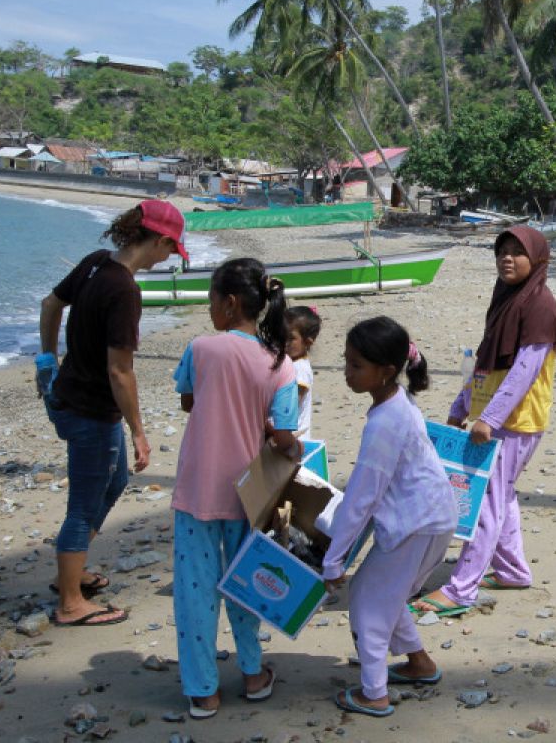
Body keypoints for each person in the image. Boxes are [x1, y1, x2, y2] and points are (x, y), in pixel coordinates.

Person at [37, 199, 187, 627]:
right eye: (171, 250)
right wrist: (139, 431)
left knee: (115, 478)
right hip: (89, 410)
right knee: (83, 504)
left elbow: (50, 305)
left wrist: (47, 362)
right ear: (159, 240)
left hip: (68, 396)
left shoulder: (95, 263)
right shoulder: (124, 288)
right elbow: (120, 369)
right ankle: (70, 602)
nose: (169, 258)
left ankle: (74, 566)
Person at [170, 258, 300, 719]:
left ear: (227, 303)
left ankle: (203, 689)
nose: (209, 309)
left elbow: (189, 398)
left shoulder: (202, 348)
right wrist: (282, 440)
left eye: (210, 300)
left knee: (194, 590)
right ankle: (252, 672)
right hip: (249, 493)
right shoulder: (279, 364)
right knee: (245, 584)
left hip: (197, 487)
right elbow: (284, 437)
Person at [411, 226, 556, 616]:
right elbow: (484, 362)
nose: (507, 258)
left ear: (537, 258)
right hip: (491, 417)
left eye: (517, 252)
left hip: (516, 421)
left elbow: (525, 370)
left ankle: (461, 589)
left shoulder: (540, 305)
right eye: (502, 251)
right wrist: (463, 404)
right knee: (502, 493)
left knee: (484, 503)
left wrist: (490, 418)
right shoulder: (506, 300)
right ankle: (512, 570)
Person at [323, 316, 457, 718]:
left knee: (367, 602)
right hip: (434, 517)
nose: (347, 373)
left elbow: (362, 497)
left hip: (414, 524)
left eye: (356, 366)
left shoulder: (385, 422)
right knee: (389, 592)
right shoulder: (398, 403)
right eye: (346, 362)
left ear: (385, 371)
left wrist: (333, 559)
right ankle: (419, 663)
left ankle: (374, 693)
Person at [284, 305, 322, 440]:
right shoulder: (290, 363)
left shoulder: (300, 369)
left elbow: (291, 406)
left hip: (294, 438)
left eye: (290, 338)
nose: (283, 342)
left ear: (308, 342)